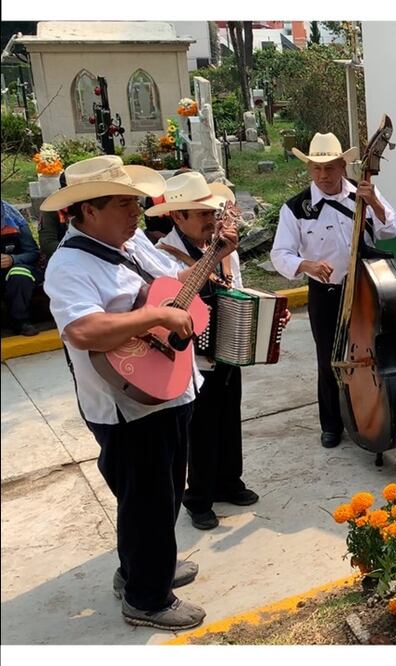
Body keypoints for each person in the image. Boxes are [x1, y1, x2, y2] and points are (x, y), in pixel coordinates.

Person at [42, 155, 238, 630]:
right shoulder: (69, 264)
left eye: (136, 201)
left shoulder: (133, 246)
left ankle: (140, 570)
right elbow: (84, 329)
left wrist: (215, 252)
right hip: (127, 405)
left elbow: (177, 285)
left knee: (164, 492)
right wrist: (154, 317)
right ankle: (148, 600)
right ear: (87, 210)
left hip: (167, 390)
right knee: (146, 498)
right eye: (125, 203)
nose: (138, 211)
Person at [148, 172, 285, 530]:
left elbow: (235, 291)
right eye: (201, 214)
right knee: (201, 431)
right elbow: (175, 301)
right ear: (177, 217)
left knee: (229, 421)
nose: (210, 220)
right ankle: (199, 498)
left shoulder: (224, 249)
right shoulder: (164, 256)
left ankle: (229, 482)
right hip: (190, 359)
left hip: (226, 352)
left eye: (211, 213)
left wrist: (259, 317)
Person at [270, 132, 396, 448]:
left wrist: (375, 205)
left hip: (366, 290)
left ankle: (372, 413)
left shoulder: (363, 192)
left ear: (343, 165)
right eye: (316, 168)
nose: (323, 175)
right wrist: (307, 266)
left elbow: (392, 227)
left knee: (372, 355)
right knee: (329, 359)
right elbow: (280, 254)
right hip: (325, 294)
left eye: (329, 167)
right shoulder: (295, 208)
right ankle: (331, 423)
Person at [2, 199, 40, 336]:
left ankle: (21, 322)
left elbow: (33, 252)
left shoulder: (14, 218)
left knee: (20, 273)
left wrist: (13, 259)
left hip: (13, 270)